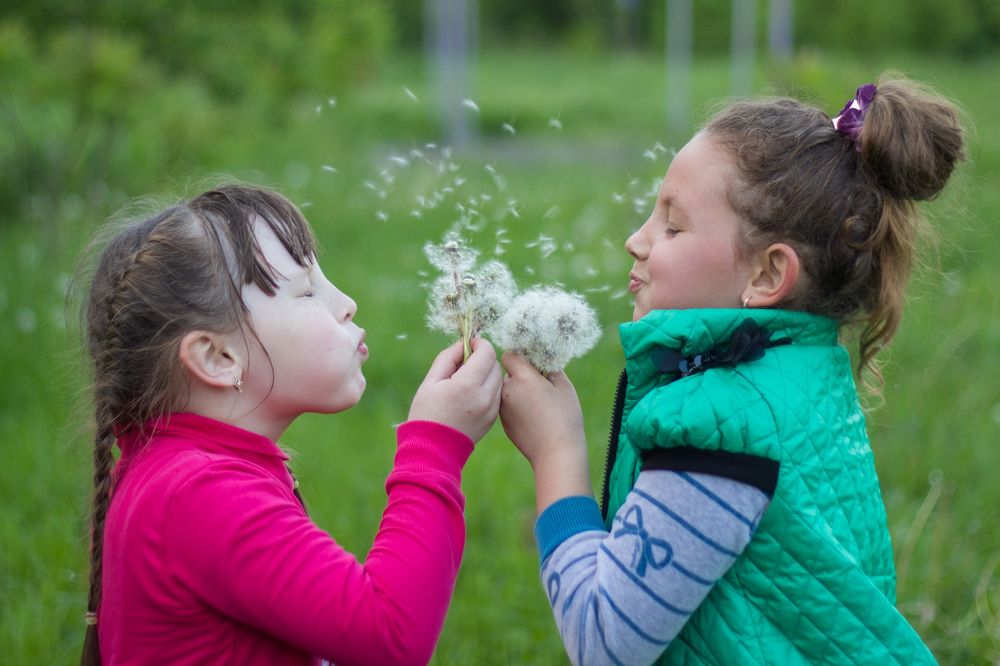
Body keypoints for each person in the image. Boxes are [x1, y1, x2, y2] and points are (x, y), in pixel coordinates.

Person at [499, 76, 965, 664]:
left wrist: (556, 452)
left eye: (673, 225)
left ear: (769, 276)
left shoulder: (722, 430)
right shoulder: (801, 375)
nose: (635, 240)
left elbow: (605, 641)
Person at [78, 184, 502, 665]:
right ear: (218, 357)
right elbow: (390, 637)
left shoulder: (173, 474)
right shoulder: (198, 494)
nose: (346, 302)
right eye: (306, 291)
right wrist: (436, 449)